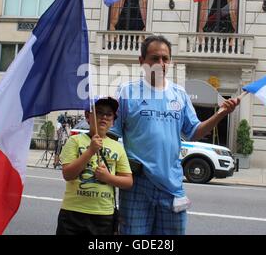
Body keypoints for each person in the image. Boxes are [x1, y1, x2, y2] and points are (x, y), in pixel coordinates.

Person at [111, 35, 240, 235]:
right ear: (141, 61)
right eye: (154, 58)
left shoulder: (180, 94)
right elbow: (111, 136)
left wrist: (220, 114)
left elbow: (194, 132)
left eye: (165, 58)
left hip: (173, 187)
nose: (160, 63)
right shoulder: (126, 93)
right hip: (136, 185)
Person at [56, 97, 133, 235]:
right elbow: (68, 174)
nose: (104, 117)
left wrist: (108, 177)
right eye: (98, 112)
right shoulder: (74, 141)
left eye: (109, 114)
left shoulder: (118, 147)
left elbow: (128, 181)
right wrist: (90, 151)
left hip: (103, 215)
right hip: (73, 213)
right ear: (87, 116)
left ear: (113, 120)